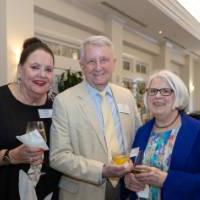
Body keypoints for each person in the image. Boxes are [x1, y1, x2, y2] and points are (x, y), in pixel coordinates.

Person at [50, 35, 141, 200]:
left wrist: (134, 170)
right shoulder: (64, 101)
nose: (98, 67)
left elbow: (138, 140)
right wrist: (102, 170)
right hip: (84, 191)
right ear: (82, 65)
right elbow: (58, 157)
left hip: (126, 187)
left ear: (113, 63)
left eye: (104, 60)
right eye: (91, 61)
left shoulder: (126, 96)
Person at [123, 70, 200, 200]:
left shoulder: (196, 131)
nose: (157, 96)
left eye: (165, 91)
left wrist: (167, 180)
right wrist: (127, 180)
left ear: (178, 95)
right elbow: (132, 166)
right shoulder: (142, 132)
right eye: (152, 91)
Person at [0, 37, 60, 200]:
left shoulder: (58, 104)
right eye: (34, 67)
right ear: (20, 69)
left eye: (48, 69)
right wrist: (10, 156)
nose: (42, 75)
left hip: (49, 193)